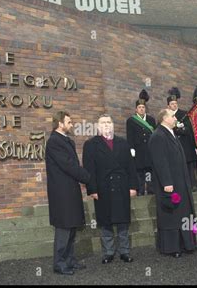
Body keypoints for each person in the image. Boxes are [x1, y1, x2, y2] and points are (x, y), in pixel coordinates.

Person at [82, 114, 138, 264]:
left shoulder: (123, 143)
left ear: (113, 125)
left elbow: (131, 167)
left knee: (123, 221)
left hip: (122, 187)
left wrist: (133, 186)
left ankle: (124, 251)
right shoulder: (91, 145)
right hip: (102, 188)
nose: (106, 125)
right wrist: (92, 189)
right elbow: (89, 170)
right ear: (98, 126)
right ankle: (108, 252)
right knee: (105, 222)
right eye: (103, 123)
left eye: (109, 122)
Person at [45, 111, 91, 275]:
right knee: (64, 228)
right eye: (69, 122)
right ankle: (59, 263)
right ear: (60, 123)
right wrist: (88, 178)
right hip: (61, 193)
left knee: (71, 227)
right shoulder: (54, 142)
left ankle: (70, 260)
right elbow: (68, 166)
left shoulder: (66, 141)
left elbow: (72, 165)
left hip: (70, 190)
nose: (72, 125)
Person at [148, 109, 197, 258]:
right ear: (164, 118)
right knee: (173, 215)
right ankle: (173, 247)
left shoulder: (171, 133)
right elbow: (160, 162)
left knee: (182, 213)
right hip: (171, 185)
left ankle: (186, 244)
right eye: (172, 116)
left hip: (180, 183)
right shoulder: (158, 136)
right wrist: (167, 183)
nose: (175, 118)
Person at [126, 89, 156, 195]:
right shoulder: (131, 121)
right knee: (139, 172)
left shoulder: (151, 120)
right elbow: (130, 136)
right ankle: (141, 191)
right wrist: (131, 148)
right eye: (139, 107)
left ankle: (152, 190)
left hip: (149, 150)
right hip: (138, 151)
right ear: (136, 109)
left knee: (150, 171)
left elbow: (154, 135)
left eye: (143, 107)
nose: (141, 109)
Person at [167, 87, 196, 189]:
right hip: (173, 146)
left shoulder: (184, 114)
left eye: (175, 103)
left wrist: (178, 129)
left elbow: (188, 129)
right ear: (168, 106)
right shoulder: (166, 116)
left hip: (185, 145)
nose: (174, 105)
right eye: (172, 104)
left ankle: (191, 186)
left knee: (188, 168)